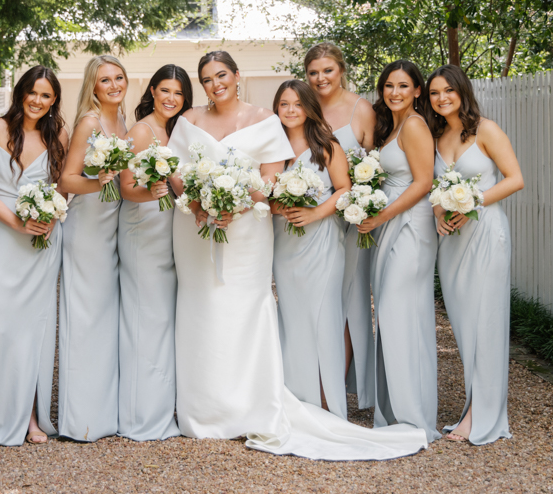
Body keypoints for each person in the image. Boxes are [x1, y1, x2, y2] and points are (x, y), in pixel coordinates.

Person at [168, 50, 428, 460]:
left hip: (297, 236)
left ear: (237, 76)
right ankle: (215, 399)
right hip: (248, 233)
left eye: (221, 75)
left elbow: (314, 185)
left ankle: (321, 402)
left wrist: (252, 205)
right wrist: (208, 203)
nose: (215, 83)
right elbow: (250, 185)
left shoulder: (309, 138)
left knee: (305, 313)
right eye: (206, 79)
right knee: (270, 315)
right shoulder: (212, 124)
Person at [426, 64, 524, 445]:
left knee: (487, 322)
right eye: (434, 93)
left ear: (461, 91)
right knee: (465, 324)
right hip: (452, 241)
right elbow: (433, 187)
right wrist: (439, 212)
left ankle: (481, 415)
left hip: (485, 232)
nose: (441, 98)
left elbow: (515, 179)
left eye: (448, 90)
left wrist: (471, 203)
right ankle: (474, 403)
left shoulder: (486, 129)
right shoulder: (435, 134)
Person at [0, 67, 67, 445]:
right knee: (2, 325)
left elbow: (60, 186)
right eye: (32, 92)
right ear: (20, 92)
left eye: (46, 95)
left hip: (41, 242)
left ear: (54, 100)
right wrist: (16, 222)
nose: (37, 101)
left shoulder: (57, 133)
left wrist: (53, 216)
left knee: (34, 329)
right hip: (1, 236)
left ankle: (29, 417)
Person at [357, 61, 440, 442]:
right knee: (393, 315)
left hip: (410, 226)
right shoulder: (392, 127)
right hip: (390, 221)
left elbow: (423, 183)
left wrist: (380, 216)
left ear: (417, 91)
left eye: (403, 86)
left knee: (399, 311)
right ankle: (396, 411)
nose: (394, 92)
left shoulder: (416, 125)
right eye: (388, 85)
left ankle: (413, 416)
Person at [116, 64, 192, 441]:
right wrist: (155, 191)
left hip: (169, 231)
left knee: (163, 318)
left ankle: (163, 406)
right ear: (152, 92)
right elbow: (126, 186)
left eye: (178, 93)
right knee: (145, 317)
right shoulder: (142, 130)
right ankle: (140, 415)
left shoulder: (177, 129)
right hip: (142, 228)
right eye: (165, 91)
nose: (171, 99)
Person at [57, 55, 129, 442]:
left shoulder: (124, 120)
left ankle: (103, 410)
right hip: (87, 225)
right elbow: (68, 180)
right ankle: (80, 418)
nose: (114, 84)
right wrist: (102, 181)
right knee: (84, 316)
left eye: (119, 77)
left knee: (104, 316)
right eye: (106, 80)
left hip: (114, 226)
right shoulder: (89, 121)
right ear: (93, 86)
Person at [270, 80, 351, 419]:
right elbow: (266, 197)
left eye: (297, 104)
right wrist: (282, 207)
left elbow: (345, 189)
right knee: (292, 318)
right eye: (284, 104)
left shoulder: (326, 145)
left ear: (308, 107)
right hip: (286, 243)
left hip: (322, 242)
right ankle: (297, 402)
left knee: (323, 317)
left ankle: (328, 402)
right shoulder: (272, 148)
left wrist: (315, 212)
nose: (290, 110)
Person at [304, 42, 376, 409]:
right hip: (310, 225)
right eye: (314, 72)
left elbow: (376, 165)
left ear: (341, 69)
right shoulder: (303, 106)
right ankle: (313, 380)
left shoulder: (361, 109)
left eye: (327, 70)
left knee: (348, 301)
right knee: (317, 301)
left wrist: (360, 205)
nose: (321, 78)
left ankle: (332, 390)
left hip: (350, 222)